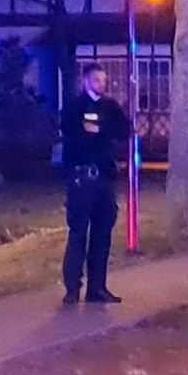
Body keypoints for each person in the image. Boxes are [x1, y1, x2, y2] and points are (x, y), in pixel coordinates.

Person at [57, 65, 134, 305]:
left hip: (104, 176)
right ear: (86, 81)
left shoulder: (110, 106)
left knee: (103, 232)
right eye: (96, 79)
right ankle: (72, 288)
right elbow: (74, 136)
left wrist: (99, 131)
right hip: (81, 176)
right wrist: (100, 134)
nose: (101, 83)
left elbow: (125, 130)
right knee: (78, 231)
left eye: (103, 79)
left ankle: (97, 288)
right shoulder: (74, 107)